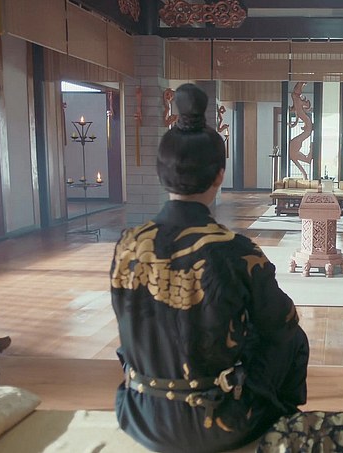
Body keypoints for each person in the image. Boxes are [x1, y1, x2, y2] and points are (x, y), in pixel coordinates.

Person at [110, 83, 309, 453]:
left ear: (160, 172)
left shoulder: (127, 244)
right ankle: (279, 420)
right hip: (220, 425)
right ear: (219, 175)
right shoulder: (237, 252)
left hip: (139, 415)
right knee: (292, 335)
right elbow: (283, 324)